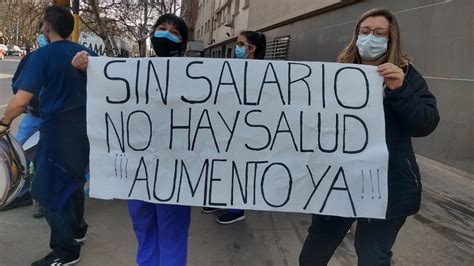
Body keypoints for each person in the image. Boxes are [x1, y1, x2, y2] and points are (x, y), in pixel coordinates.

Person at [298, 8, 440, 266]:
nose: (370, 37)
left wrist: (400, 90)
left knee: (373, 257)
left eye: (378, 33)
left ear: (391, 38)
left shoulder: (407, 76)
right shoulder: (336, 74)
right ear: (356, 35)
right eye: (364, 32)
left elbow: (425, 124)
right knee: (315, 250)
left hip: (388, 186)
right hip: (338, 182)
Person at [72, 13, 190, 266]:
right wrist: (86, 69)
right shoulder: (130, 73)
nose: (167, 34)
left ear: (183, 43)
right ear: (152, 35)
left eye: (175, 32)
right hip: (138, 171)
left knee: (172, 235)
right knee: (144, 230)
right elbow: (104, 98)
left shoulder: (196, 78)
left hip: (176, 173)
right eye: (162, 28)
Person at [0, 5, 96, 265]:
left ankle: (66, 252)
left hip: (58, 131)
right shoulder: (86, 53)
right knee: (74, 182)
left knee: (47, 191)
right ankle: (77, 232)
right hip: (85, 130)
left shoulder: (42, 57)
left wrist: (4, 122)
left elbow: (21, 101)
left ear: (46, 27)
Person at [201, 30, 267, 225]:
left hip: (246, 130)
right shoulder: (233, 68)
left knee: (239, 168)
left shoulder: (262, 72)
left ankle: (237, 208)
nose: (236, 48)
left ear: (251, 48)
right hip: (226, 126)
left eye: (240, 44)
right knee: (222, 165)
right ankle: (220, 199)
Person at [0, 23, 49, 217]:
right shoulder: (31, 58)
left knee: (44, 159)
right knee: (18, 153)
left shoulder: (70, 57)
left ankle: (41, 200)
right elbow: (16, 85)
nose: (43, 35)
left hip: (54, 120)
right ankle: (21, 192)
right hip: (32, 116)